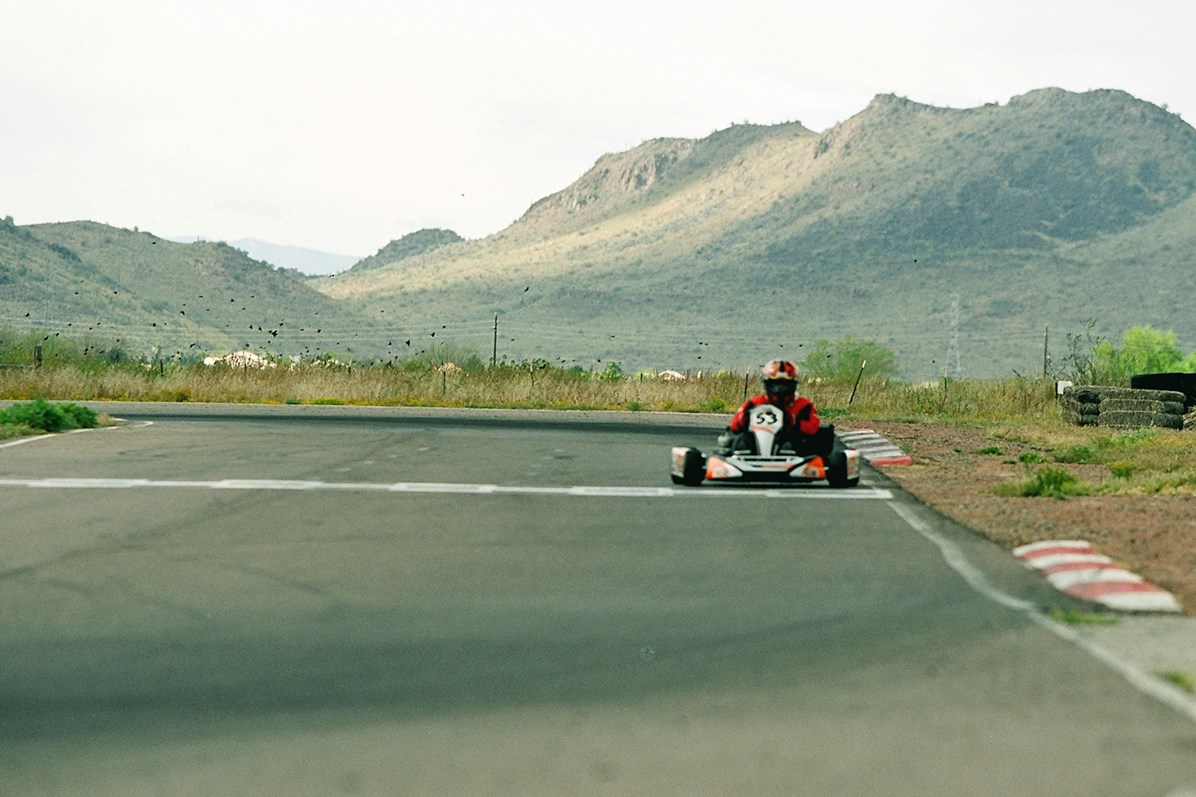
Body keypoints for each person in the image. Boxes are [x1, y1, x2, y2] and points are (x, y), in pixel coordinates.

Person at [723, 358, 821, 454]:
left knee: (793, 443)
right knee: (739, 440)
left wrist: (793, 422)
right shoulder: (754, 403)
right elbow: (734, 426)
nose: (779, 389)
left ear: (792, 384)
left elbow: (813, 428)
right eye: (776, 384)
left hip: (791, 450)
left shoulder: (803, 406)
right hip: (753, 448)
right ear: (767, 383)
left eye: (784, 384)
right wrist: (745, 418)